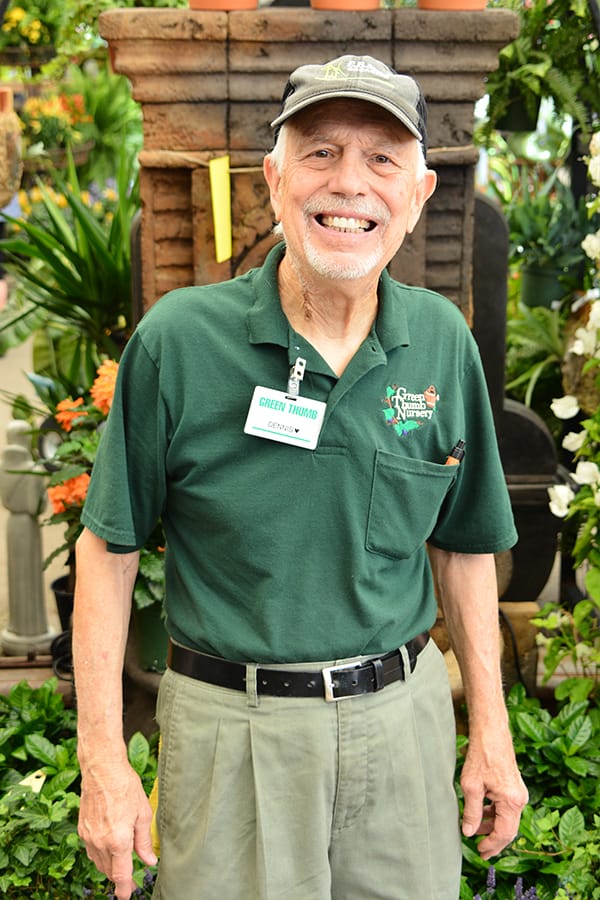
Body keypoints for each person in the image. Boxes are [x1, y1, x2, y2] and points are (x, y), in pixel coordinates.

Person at [73, 54, 528, 900]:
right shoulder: (180, 342)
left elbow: (465, 550)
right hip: (233, 733)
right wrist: (101, 757)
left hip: (403, 724)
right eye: (320, 153)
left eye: (383, 159)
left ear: (418, 195)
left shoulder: (441, 342)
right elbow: (109, 549)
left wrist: (491, 731)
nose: (349, 182)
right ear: (273, 183)